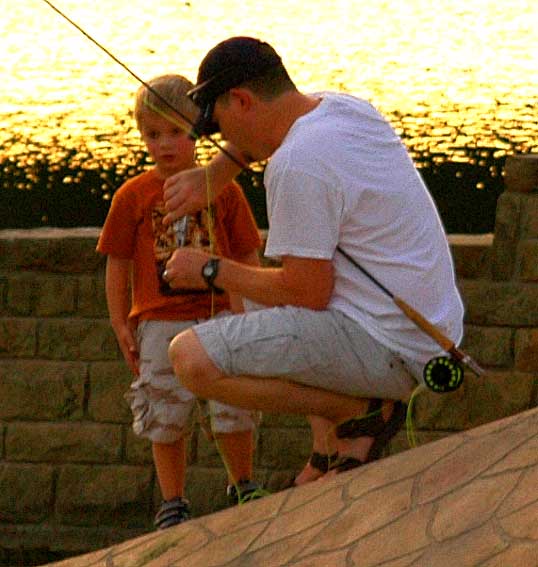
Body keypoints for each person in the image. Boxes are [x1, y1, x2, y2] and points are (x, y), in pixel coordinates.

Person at [160, 37, 465, 479]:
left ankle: (357, 412)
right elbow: (260, 138)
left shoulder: (296, 165)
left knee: (191, 358)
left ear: (242, 100)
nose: (223, 140)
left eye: (221, 127)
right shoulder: (343, 109)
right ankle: (328, 449)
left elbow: (306, 293)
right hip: (433, 331)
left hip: (391, 347)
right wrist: (214, 175)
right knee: (264, 289)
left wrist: (209, 269)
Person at [96, 73, 263, 529]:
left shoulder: (224, 188)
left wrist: (247, 310)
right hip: (158, 320)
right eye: (153, 134)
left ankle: (242, 483)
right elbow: (117, 263)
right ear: (140, 135)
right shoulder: (131, 195)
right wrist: (121, 322)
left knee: (233, 404)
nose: (165, 144)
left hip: (222, 315)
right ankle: (173, 499)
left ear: (199, 130)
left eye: (176, 131)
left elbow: (246, 253)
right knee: (163, 408)